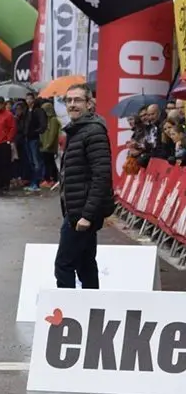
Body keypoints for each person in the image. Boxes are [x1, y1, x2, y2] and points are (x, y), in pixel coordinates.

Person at [56, 83, 113, 289]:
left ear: (90, 104)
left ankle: (67, 313)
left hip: (81, 212)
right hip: (76, 209)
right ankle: (91, 310)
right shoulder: (78, 130)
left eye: (78, 100)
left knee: (64, 265)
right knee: (85, 263)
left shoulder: (93, 132)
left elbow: (101, 176)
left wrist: (87, 215)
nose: (72, 104)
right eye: (69, 100)